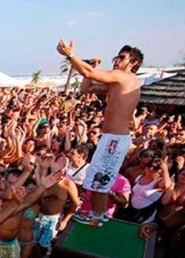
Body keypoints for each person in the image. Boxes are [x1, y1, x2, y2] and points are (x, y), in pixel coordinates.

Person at [58, 40, 143, 226]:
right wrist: (93, 66)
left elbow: (88, 73)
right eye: (117, 56)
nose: (117, 60)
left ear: (134, 62)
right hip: (111, 138)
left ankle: (96, 216)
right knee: (99, 178)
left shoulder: (125, 77)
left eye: (122, 57)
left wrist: (71, 55)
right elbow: (85, 88)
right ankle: (98, 214)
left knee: (100, 178)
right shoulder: (116, 82)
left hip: (115, 138)